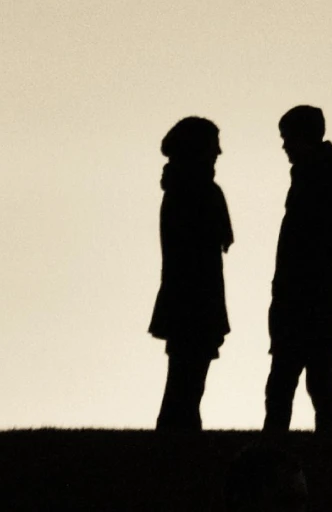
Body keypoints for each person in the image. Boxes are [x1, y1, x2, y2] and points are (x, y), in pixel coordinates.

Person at [264, 103, 332, 433]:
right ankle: (325, 446)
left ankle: (275, 446)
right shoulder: (327, 170)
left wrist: (294, 282)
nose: (284, 145)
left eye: (287, 137)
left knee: (287, 381)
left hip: (306, 293)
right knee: (316, 379)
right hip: (313, 290)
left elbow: (325, 238)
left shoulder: (318, 173)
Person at [149, 115, 234, 430]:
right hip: (195, 296)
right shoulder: (198, 192)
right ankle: (178, 440)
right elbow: (207, 244)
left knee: (186, 378)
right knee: (188, 379)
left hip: (188, 294)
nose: (219, 153)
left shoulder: (182, 189)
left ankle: (178, 439)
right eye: (213, 145)